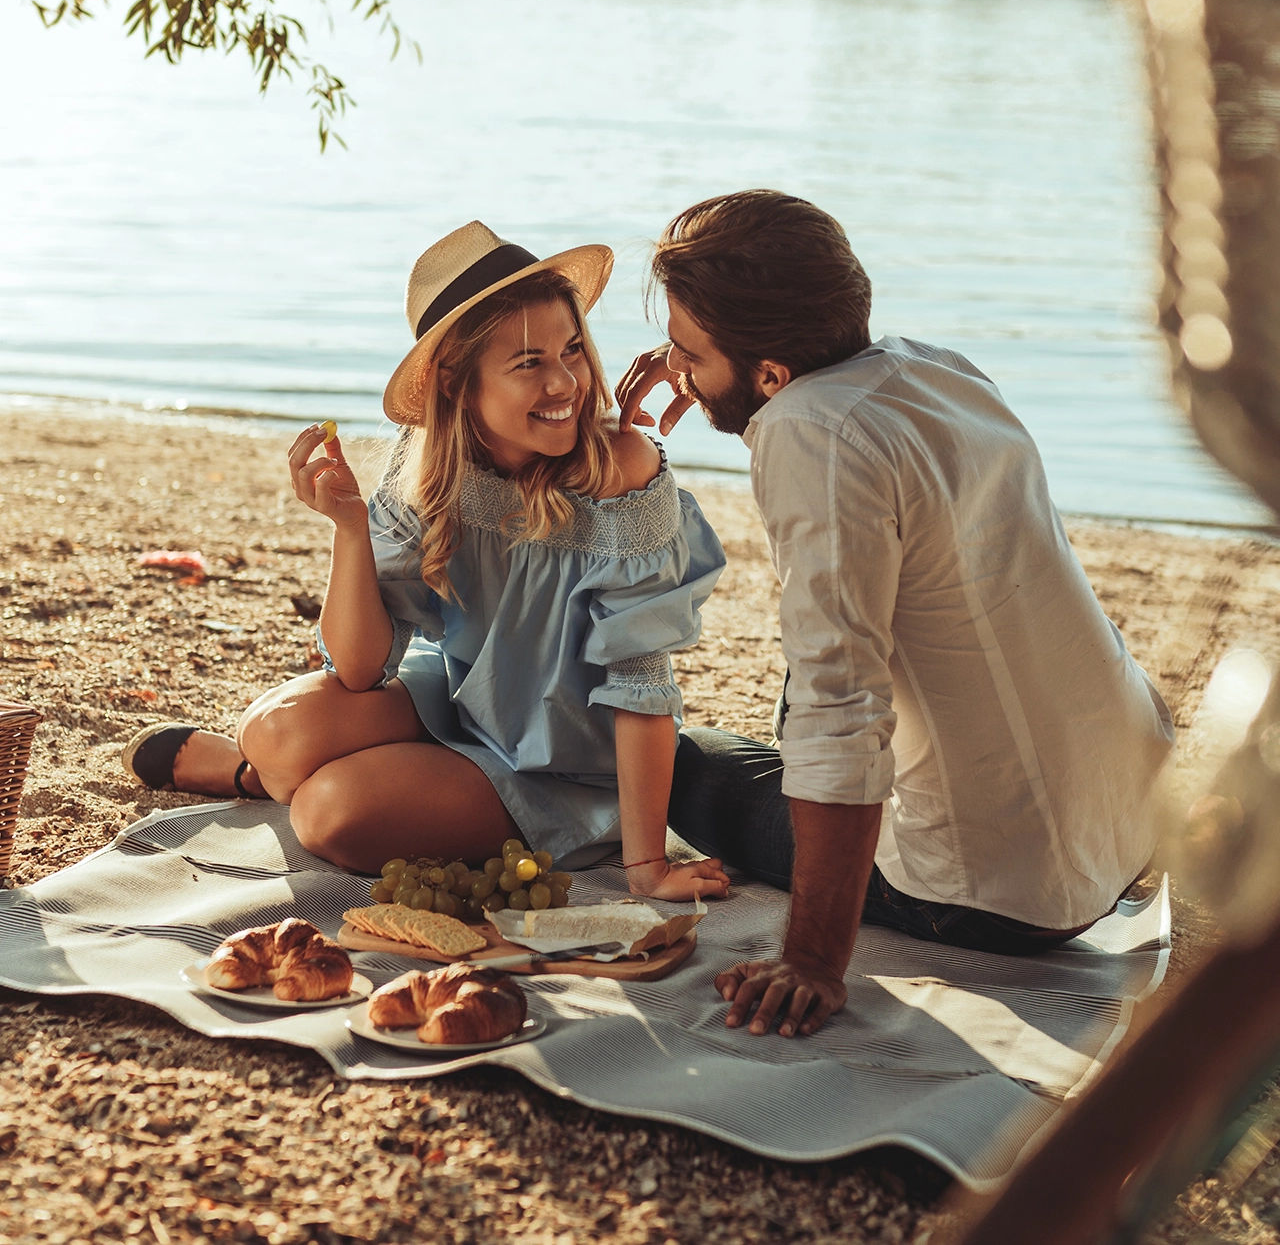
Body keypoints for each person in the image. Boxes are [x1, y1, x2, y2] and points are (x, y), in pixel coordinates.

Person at [617, 189, 1176, 1036]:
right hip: (1133, 811)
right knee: (803, 684)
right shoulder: (933, 368)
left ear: (771, 372)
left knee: (680, 766)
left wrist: (810, 958)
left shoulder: (810, 435)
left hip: (998, 893)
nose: (677, 372)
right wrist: (715, 366)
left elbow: (843, 711)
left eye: (689, 354)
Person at [125, 221, 730, 902]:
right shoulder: (428, 463)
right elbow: (357, 668)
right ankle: (256, 770)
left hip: (568, 766)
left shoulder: (623, 470)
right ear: (454, 381)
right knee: (272, 730)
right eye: (528, 363)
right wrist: (349, 529)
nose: (565, 383)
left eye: (571, 351)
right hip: (464, 700)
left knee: (329, 814)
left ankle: (267, 780)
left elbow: (641, 679)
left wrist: (647, 867)